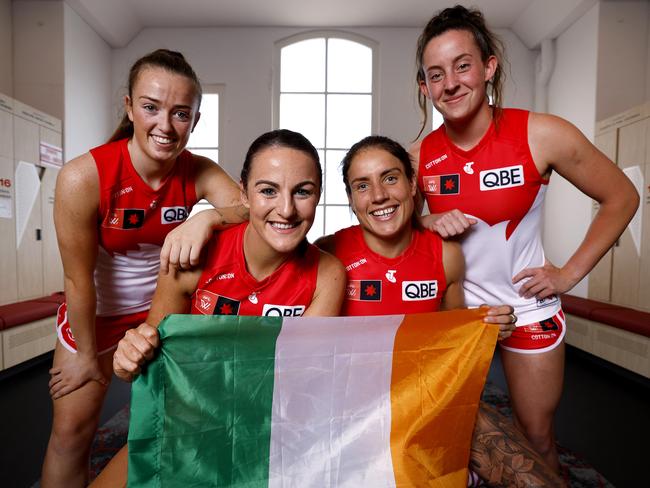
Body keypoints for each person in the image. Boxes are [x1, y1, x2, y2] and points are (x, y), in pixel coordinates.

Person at [412, 5, 639, 471]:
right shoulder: (416, 156)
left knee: (535, 438)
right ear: (424, 86)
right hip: (456, 315)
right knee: (450, 437)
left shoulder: (542, 133)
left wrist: (569, 274)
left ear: (489, 66)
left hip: (526, 306)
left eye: (462, 65)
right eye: (435, 75)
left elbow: (622, 196)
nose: (450, 83)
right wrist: (426, 223)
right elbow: (394, 231)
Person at [90, 128, 346, 487]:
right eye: (268, 190)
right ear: (243, 192)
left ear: (318, 195)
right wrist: (130, 354)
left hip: (269, 432)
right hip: (187, 421)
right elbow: (151, 349)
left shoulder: (327, 274)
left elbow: (301, 384)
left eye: (302, 192)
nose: (286, 209)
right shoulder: (191, 252)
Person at [42, 49, 246, 488]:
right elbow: (78, 280)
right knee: (71, 435)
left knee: (180, 432)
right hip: (95, 313)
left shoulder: (198, 170)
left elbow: (249, 211)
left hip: (166, 312)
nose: (165, 126)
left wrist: (205, 217)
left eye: (181, 113)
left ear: (194, 119)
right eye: (151, 107)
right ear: (129, 106)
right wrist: (83, 354)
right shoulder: (83, 176)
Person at [316, 135, 564, 486]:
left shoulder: (445, 255)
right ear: (351, 199)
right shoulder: (329, 254)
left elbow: (452, 340)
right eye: (362, 185)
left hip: (428, 397)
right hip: (352, 406)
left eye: (390, 177)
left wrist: (484, 327)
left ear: (412, 184)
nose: (379, 195)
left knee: (531, 473)